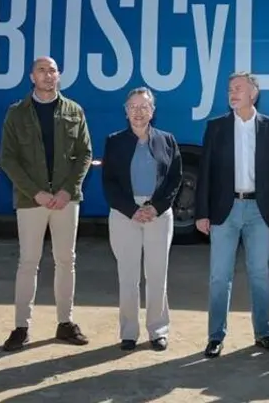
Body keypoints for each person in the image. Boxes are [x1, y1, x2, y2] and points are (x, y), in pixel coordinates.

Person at [0, 56, 96, 352]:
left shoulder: (74, 111)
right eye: (42, 70)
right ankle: (21, 327)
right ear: (32, 76)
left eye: (53, 70)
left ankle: (65, 322)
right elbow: (9, 159)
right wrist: (36, 192)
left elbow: (85, 154)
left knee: (66, 261)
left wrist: (68, 191)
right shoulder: (17, 113)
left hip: (66, 200)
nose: (48, 75)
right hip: (32, 200)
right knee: (28, 262)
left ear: (59, 76)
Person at [195, 71, 269, 358]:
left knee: (260, 274)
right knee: (219, 276)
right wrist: (202, 212)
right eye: (229, 89)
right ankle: (215, 336)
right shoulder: (216, 127)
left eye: (238, 89)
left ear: (253, 94)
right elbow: (206, 172)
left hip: (260, 211)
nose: (232, 93)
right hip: (225, 210)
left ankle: (264, 333)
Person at [100, 87, 184, 352]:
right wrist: (131, 209)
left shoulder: (167, 140)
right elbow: (109, 182)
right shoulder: (114, 141)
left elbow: (174, 179)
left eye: (144, 107)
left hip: (158, 214)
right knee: (128, 275)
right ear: (126, 112)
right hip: (125, 213)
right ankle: (128, 332)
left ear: (153, 111)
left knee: (157, 273)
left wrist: (156, 207)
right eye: (133, 107)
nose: (138, 112)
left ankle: (158, 331)